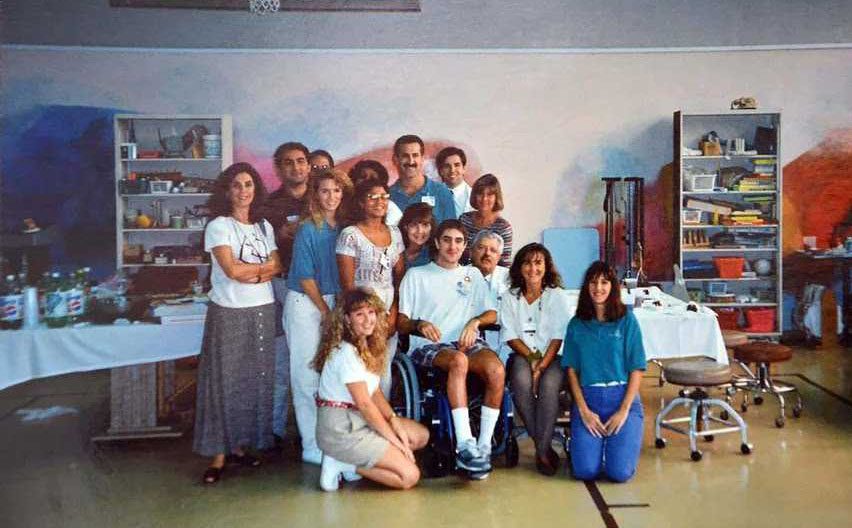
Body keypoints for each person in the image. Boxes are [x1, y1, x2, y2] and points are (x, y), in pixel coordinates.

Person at [193, 162, 283, 484]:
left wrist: (253, 272)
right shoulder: (219, 226)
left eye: (248, 184)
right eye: (236, 185)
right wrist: (260, 271)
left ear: (256, 189)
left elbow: (277, 264)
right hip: (229, 310)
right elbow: (231, 270)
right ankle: (218, 454)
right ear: (226, 191)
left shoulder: (263, 226)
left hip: (263, 309)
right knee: (225, 381)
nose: (243, 191)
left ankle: (240, 447)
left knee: (254, 380)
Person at [397, 219, 503, 478]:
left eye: (458, 241)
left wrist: (474, 322)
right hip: (430, 346)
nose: (452, 246)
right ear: (436, 242)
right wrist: (419, 324)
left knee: (496, 369)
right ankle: (465, 443)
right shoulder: (417, 275)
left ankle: (483, 446)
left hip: (466, 342)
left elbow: (492, 313)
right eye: (447, 240)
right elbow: (401, 322)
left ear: (465, 246)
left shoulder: (473, 275)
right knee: (458, 361)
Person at [314, 288, 429, 491]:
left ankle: (358, 458)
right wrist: (397, 443)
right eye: (359, 314)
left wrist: (393, 419)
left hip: (358, 419)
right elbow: (366, 405)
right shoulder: (346, 352)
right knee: (409, 476)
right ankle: (341, 464)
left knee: (420, 435)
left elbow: (374, 391)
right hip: (341, 428)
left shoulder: (366, 345)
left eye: (371, 312)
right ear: (347, 319)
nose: (368, 320)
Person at [284, 168, 353, 465]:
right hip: (306, 303)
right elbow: (304, 276)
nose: (331, 196)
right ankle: (311, 447)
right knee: (306, 376)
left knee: (331, 375)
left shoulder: (345, 228)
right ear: (315, 194)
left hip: (333, 303)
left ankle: (332, 441)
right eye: (325, 191)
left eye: (337, 191)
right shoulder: (308, 228)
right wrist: (325, 312)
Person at [562, 261, 646, 483]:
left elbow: (637, 367)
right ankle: (584, 444)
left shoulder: (627, 320)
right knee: (585, 471)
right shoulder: (576, 324)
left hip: (622, 398)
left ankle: (618, 445)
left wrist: (624, 411)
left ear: (613, 286)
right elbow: (571, 370)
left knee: (619, 473)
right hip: (589, 400)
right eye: (593, 282)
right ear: (586, 287)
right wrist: (584, 411)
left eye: (604, 282)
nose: (598, 288)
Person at [501, 243, 570, 476]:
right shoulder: (509, 296)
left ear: (547, 267)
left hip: (553, 356)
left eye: (538, 262)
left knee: (549, 386)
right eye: (527, 263)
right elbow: (510, 335)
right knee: (521, 382)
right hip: (523, 354)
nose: (533, 268)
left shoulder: (556, 295)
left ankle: (541, 449)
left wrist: (541, 366)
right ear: (519, 267)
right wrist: (532, 359)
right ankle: (544, 449)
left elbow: (558, 336)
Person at [260, 141, 311, 441]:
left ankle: (314, 434)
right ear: (278, 169)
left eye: (301, 161)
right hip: (280, 288)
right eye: (288, 162)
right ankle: (274, 432)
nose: (296, 167)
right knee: (279, 363)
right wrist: (279, 235)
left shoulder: (322, 197)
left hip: (318, 291)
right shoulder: (268, 206)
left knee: (314, 363)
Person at [336, 178, 406, 396]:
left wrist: (393, 314)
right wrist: (369, 316)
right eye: (372, 197)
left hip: (389, 307)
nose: (379, 202)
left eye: (384, 196)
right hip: (362, 310)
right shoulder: (350, 235)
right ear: (360, 202)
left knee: (383, 369)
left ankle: (382, 414)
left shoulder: (395, 233)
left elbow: (399, 278)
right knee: (363, 368)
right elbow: (348, 287)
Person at [388, 134, 455, 223]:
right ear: (395, 159)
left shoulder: (441, 192)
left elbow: (451, 228)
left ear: (422, 158)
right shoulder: (388, 196)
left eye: (415, 155)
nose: (411, 161)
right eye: (405, 156)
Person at [469, 231, 510, 360]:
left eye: (493, 250)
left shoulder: (511, 278)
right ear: (471, 252)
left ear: (499, 257)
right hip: (467, 342)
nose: (487, 254)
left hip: (504, 344)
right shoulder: (460, 275)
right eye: (481, 248)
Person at [459, 174, 513, 266]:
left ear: (496, 198)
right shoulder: (464, 220)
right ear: (474, 196)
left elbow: (504, 265)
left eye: (489, 195)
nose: (484, 199)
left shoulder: (503, 227)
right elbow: (458, 254)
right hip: (464, 272)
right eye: (480, 194)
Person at [348, 159, 403, 226]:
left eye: (372, 178)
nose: (367, 181)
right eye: (362, 177)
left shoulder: (388, 207)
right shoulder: (345, 204)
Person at [436, 146, 475, 218]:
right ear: (440, 171)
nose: (452, 170)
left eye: (457, 165)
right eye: (447, 166)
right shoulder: (432, 194)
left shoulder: (474, 196)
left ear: (464, 169)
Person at [398, 202, 436, 269]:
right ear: (405, 227)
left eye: (425, 225)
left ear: (431, 227)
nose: (420, 231)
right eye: (414, 225)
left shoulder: (435, 255)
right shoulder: (395, 249)